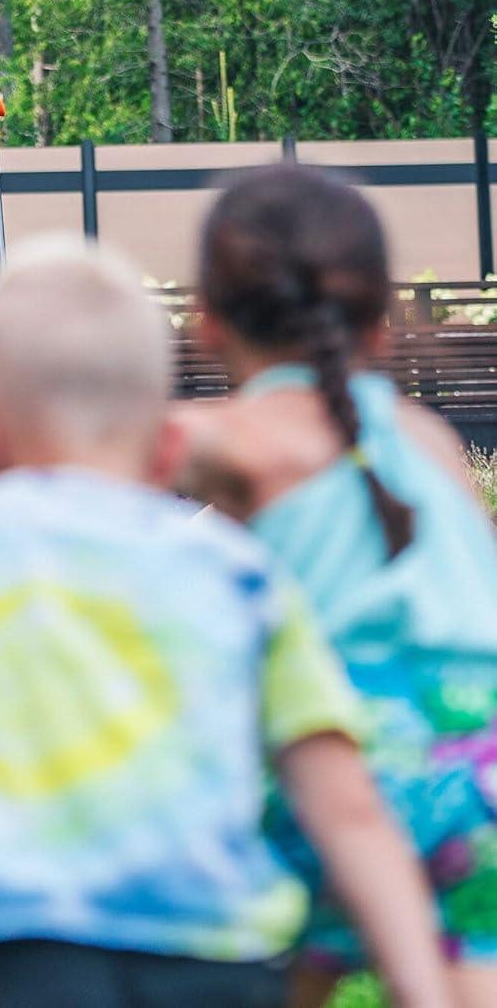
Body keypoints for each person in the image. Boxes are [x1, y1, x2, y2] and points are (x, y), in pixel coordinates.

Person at [0, 236, 450, 1008]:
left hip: (0, 962)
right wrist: (423, 987)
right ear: (170, 438)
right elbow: (344, 800)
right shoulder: (232, 568)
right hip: (218, 961)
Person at [180, 164, 497, 1007]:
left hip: (348, 745)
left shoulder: (233, 437)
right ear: (382, 323)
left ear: (205, 322)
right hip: (482, 752)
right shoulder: (427, 438)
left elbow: (90, 449)